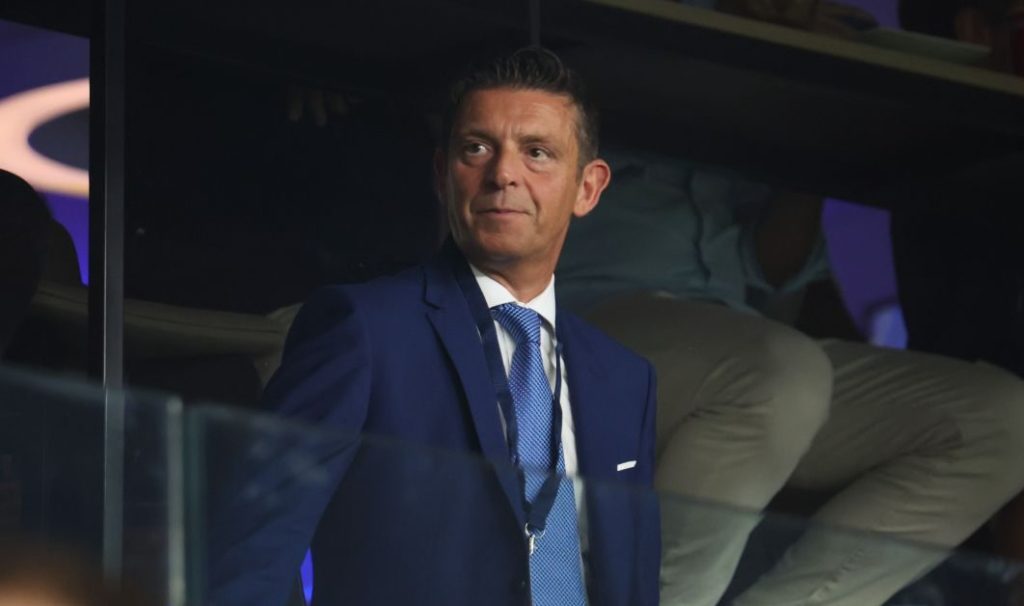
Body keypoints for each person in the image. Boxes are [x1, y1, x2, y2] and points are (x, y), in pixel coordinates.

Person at [209, 48, 659, 606]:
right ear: (442, 175)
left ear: (588, 188)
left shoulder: (625, 379)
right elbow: (249, 553)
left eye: (537, 152)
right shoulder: (364, 330)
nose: (503, 174)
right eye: (477, 148)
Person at [556, 139, 1024, 604]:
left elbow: (770, 267)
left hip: (736, 333)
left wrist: (810, 149)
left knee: (1001, 420)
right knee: (779, 374)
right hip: (587, 315)